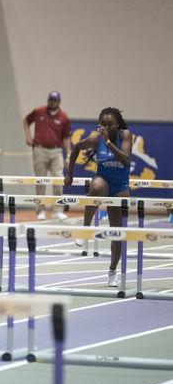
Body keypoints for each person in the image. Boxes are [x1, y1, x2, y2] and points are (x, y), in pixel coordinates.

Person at [64, 107, 132, 287]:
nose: (107, 127)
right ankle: (85, 230)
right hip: (104, 181)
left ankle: (112, 270)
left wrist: (109, 142)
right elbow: (76, 148)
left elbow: (125, 159)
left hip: (120, 187)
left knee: (117, 234)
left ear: (117, 124)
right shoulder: (95, 140)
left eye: (110, 124)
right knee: (96, 186)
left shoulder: (125, 135)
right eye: (103, 124)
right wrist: (69, 174)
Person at [23, 90, 72, 220]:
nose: (52, 102)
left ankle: (57, 210)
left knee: (58, 179)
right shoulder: (38, 111)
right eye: (50, 99)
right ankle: (40, 210)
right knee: (40, 180)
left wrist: (68, 154)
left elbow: (67, 138)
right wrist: (28, 137)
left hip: (56, 151)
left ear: (59, 101)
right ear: (48, 100)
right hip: (40, 149)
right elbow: (26, 121)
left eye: (55, 100)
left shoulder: (64, 117)